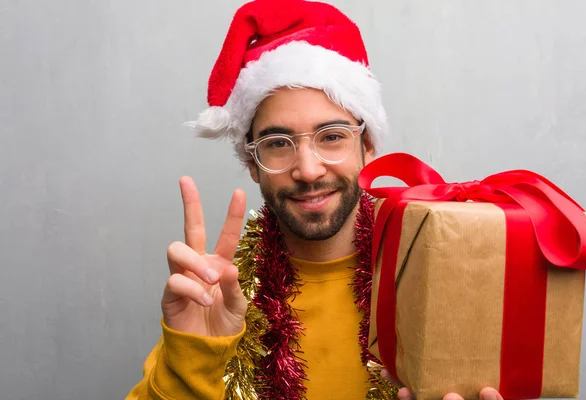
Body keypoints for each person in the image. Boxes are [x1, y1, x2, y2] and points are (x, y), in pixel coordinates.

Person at [127, 1, 504, 399]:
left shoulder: (436, 270)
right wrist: (194, 355)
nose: (308, 170)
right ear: (251, 162)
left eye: (332, 136)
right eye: (278, 143)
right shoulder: (220, 295)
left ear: (368, 144)